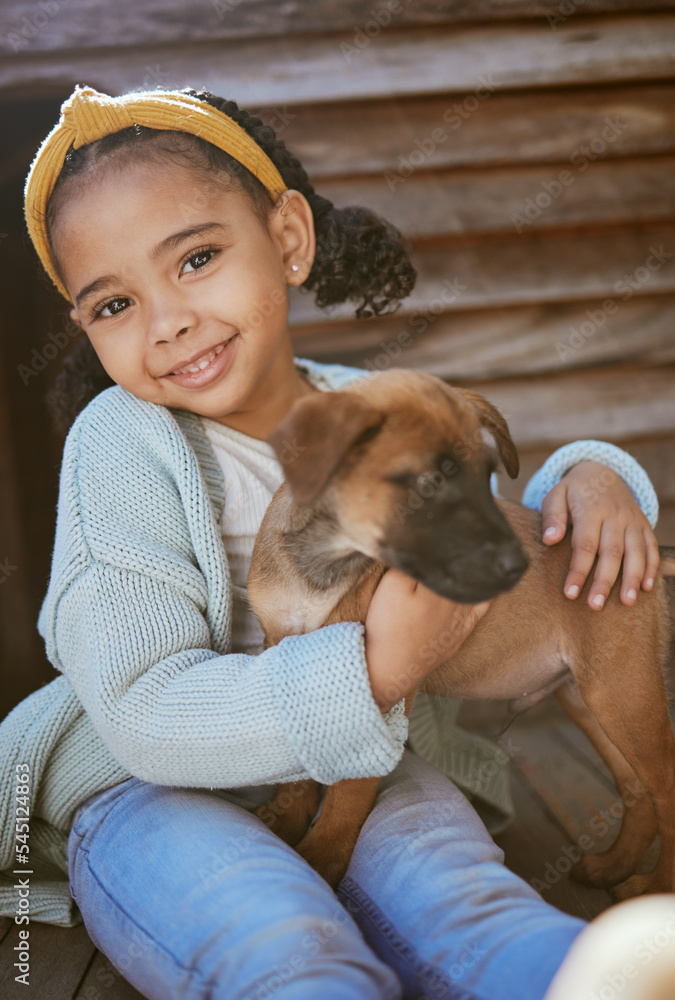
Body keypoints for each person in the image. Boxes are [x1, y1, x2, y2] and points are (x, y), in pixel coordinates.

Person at [0, 83, 669, 1000]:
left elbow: (478, 498)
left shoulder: (368, 403)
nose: (167, 320)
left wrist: (595, 475)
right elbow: (142, 711)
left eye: (196, 258)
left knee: (465, 903)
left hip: (367, 764)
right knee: (277, 940)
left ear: (287, 239)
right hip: (141, 790)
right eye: (113, 305)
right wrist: (375, 676)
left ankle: (597, 980)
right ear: (83, 328)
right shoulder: (119, 445)